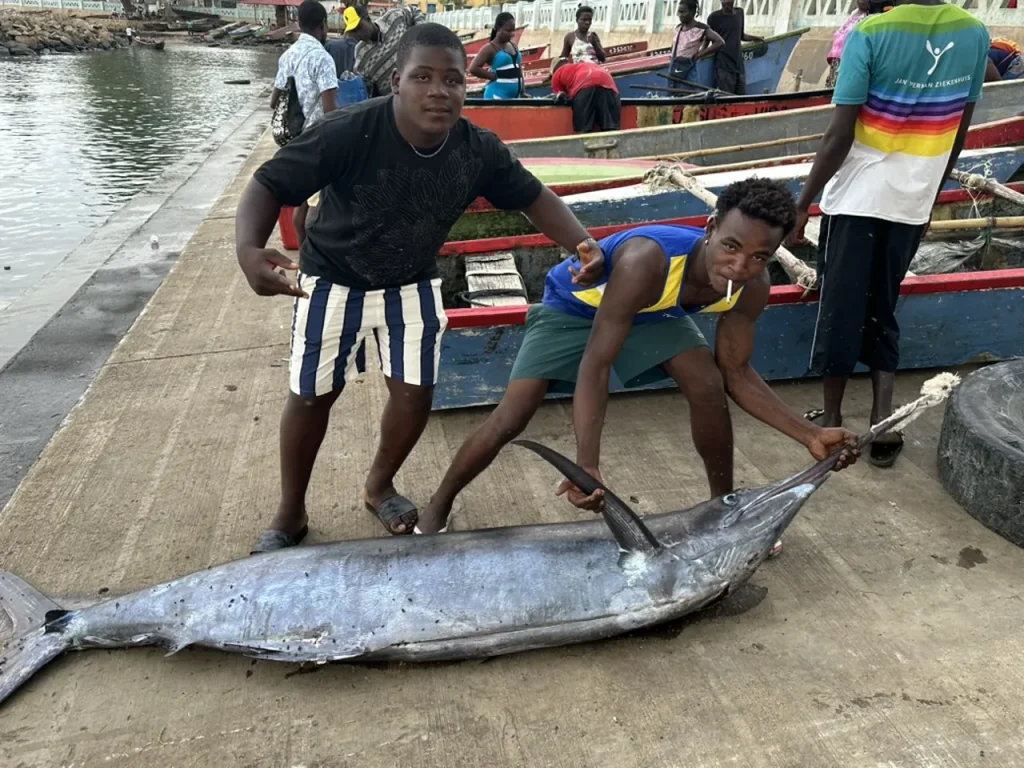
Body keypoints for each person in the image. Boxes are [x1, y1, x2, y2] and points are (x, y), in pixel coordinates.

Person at [235, 23, 606, 553]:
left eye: (453, 80)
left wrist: (581, 243)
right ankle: (290, 512)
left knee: (414, 394)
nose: (439, 90)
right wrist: (249, 250)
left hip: (411, 282)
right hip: (333, 279)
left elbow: (534, 197)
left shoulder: (476, 149)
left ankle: (379, 485)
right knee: (313, 395)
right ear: (397, 80)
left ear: (465, 87)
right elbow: (268, 184)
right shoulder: (349, 131)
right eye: (423, 77)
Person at [417, 178, 860, 544]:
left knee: (707, 383)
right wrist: (586, 463)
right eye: (731, 246)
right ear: (709, 228)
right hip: (573, 310)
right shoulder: (647, 260)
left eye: (759, 256)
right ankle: (438, 506)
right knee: (511, 418)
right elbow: (597, 362)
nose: (740, 265)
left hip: (655, 313)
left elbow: (738, 374)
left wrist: (810, 434)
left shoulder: (752, 286)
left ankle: (720, 509)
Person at [787, 0, 989, 468]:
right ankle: (883, 418)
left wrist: (802, 204)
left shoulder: (871, 32)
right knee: (883, 302)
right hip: (913, 198)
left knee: (841, 305)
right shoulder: (975, 33)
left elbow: (839, 135)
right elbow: (960, 125)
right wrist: (933, 191)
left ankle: (834, 417)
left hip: (858, 197)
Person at [270, 0, 339, 252]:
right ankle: (316, 256)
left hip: (292, 139)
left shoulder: (287, 56)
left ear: (299, 24)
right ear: (323, 25)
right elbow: (331, 110)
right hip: (317, 139)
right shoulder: (323, 58)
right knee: (318, 204)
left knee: (302, 201)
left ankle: (304, 260)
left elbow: (273, 101)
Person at [345, 3, 425, 98]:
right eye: (353, 31)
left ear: (367, 18)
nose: (358, 34)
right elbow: (366, 88)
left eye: (359, 28)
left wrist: (421, 37)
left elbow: (414, 10)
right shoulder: (360, 54)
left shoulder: (394, 18)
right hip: (396, 103)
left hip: (420, 88)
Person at [550, 57, 621, 133]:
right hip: (608, 84)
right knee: (611, 129)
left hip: (585, 84)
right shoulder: (583, 65)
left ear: (553, 71)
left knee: (583, 131)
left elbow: (561, 95)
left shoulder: (557, 74)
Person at [707, 0, 763, 94]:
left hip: (739, 66)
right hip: (723, 66)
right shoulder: (714, 18)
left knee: (741, 98)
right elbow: (707, 39)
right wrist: (700, 54)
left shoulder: (739, 13)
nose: (725, 2)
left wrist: (756, 38)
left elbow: (741, 35)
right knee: (726, 99)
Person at [469, 12, 524, 99]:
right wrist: (493, 76)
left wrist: (522, 89)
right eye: (508, 30)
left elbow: (518, 67)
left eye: (513, 30)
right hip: (497, 95)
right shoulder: (490, 48)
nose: (512, 34)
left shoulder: (513, 45)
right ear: (498, 29)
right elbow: (473, 68)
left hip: (516, 97)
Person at [669, 0, 725, 82]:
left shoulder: (701, 29)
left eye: (683, 12)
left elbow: (720, 42)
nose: (680, 15)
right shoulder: (678, 28)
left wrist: (699, 54)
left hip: (688, 70)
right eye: (679, 12)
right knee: (673, 93)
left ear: (692, 12)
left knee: (688, 92)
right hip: (673, 68)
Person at [825, 0, 870, 88]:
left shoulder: (868, 17)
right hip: (837, 59)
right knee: (832, 89)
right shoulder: (854, 13)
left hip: (849, 60)